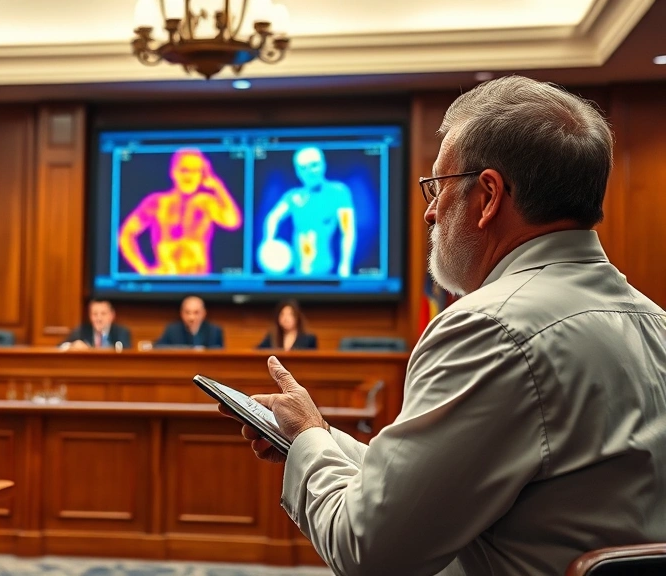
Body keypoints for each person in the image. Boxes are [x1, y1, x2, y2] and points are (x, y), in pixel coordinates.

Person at [225, 75, 666, 576]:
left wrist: (305, 444)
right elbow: (434, 488)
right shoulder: (656, 323)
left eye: (437, 187)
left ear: (489, 195)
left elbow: (370, 551)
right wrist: (319, 435)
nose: (431, 212)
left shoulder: (491, 329)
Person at [119, 148, 242, 275]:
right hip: (165, 283)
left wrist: (217, 186)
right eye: (184, 170)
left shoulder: (205, 203)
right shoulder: (157, 203)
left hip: (198, 284)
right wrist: (142, 269)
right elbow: (126, 234)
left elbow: (232, 222)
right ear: (173, 172)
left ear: (202, 175)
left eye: (196, 171)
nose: (189, 176)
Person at [259, 147, 356, 277]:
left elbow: (348, 232)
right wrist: (269, 241)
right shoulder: (293, 197)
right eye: (303, 168)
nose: (310, 172)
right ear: (297, 172)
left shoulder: (338, 192)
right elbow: (273, 217)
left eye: (314, 165)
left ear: (323, 165)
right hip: (297, 274)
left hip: (325, 274)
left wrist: (345, 265)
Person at [61, 299, 132, 350]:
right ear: (90, 316)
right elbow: (60, 347)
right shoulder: (82, 330)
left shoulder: (121, 332)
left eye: (103, 314)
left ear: (112, 315)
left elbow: (127, 352)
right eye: (95, 314)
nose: (99, 318)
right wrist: (72, 346)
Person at [156, 295, 224, 348]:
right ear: (181, 313)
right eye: (187, 312)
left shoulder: (214, 331)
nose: (191, 317)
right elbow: (160, 348)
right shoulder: (172, 330)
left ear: (204, 313)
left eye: (196, 313)